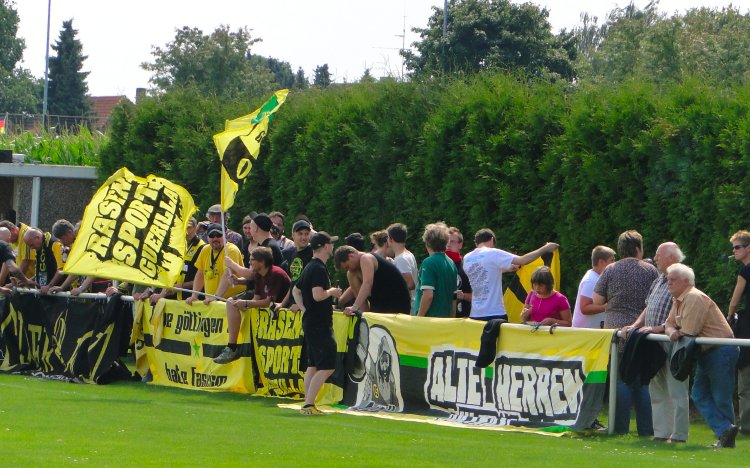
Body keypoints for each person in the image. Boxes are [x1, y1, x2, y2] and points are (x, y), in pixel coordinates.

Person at [665, 263, 738, 448]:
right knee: (698, 394)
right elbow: (668, 324)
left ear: (685, 281)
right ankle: (724, 431)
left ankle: (726, 439)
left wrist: (676, 331)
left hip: (720, 350)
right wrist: (673, 331)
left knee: (721, 397)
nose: (668, 282)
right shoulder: (679, 300)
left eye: (673, 279)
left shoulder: (694, 297)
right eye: (668, 278)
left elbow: (690, 331)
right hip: (706, 352)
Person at [621, 242, 689, 443]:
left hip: (672, 341)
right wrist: (635, 325)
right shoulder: (659, 280)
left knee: (676, 390)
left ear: (672, 257)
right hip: (653, 342)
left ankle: (678, 436)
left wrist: (661, 327)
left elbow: (684, 310)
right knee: (657, 389)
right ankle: (661, 433)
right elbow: (647, 308)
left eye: (659, 255)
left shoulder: (683, 280)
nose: (656, 258)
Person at [593, 230, 658, 436]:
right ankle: (646, 430)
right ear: (639, 248)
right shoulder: (651, 271)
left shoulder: (610, 270)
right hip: (643, 334)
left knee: (620, 381)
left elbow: (596, 300)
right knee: (642, 382)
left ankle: (619, 428)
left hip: (616, 333)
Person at [292, 231, 343, 415]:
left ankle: (308, 402)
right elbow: (318, 295)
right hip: (319, 323)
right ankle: (308, 404)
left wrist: (305, 308)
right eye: (331, 244)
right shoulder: (319, 268)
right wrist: (332, 292)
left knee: (313, 365)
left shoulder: (309, 266)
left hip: (311, 321)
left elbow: (296, 291)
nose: (333, 247)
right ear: (325, 246)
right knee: (327, 365)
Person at [214, 246, 291, 364]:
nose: (249, 262)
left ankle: (233, 346)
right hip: (267, 319)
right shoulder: (259, 274)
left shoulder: (275, 274)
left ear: (262, 262)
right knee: (231, 302)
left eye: (252, 260)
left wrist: (245, 303)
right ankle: (232, 347)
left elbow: (268, 302)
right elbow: (257, 297)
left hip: (284, 317)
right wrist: (238, 282)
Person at [463, 228, 558, 321]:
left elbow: (485, 271)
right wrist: (545, 248)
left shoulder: (467, 258)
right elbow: (523, 260)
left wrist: (509, 268)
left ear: (476, 243)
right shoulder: (492, 253)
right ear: (492, 239)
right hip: (494, 313)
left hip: (475, 314)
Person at [334, 245, 411, 314]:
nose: (349, 269)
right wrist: (337, 305)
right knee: (351, 275)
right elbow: (354, 289)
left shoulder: (366, 258)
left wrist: (354, 307)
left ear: (351, 256)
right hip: (380, 306)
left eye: (347, 266)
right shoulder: (352, 272)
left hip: (397, 304)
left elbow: (367, 284)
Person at [150, 217, 206, 302]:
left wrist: (181, 286)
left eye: (188, 228)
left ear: (195, 228)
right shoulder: (176, 246)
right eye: (182, 228)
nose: (186, 231)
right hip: (174, 298)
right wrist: (160, 293)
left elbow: (203, 278)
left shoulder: (202, 247)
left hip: (192, 300)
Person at [185, 223, 244, 304]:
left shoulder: (231, 250)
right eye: (212, 235)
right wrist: (194, 296)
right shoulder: (205, 249)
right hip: (212, 302)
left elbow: (228, 274)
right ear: (207, 237)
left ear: (224, 236)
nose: (215, 238)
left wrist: (216, 297)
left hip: (230, 302)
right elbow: (200, 273)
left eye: (219, 235)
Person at [728, 230, 750, 435]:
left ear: (748, 248)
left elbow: (735, 300)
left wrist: (729, 316)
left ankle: (747, 427)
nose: (734, 251)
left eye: (737, 247)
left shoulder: (745, 271)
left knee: (745, 378)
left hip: (748, 326)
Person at [413, 222, 457, 318]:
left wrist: (419, 318)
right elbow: (454, 297)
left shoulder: (428, 263)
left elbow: (428, 295)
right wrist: (452, 318)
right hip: (446, 320)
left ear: (428, 243)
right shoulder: (451, 263)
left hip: (430, 320)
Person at [572, 246, 615, 329]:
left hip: (590, 332)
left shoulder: (597, 277)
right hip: (585, 333)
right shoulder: (591, 280)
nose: (614, 263)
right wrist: (608, 306)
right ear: (602, 262)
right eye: (612, 260)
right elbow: (584, 308)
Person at [387, 223, 419, 310]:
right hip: (411, 303)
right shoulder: (408, 254)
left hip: (407, 306)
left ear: (390, 239)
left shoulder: (401, 259)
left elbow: (411, 284)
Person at [446, 226, 472, 318]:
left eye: (452, 241)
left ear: (460, 245)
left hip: (463, 317)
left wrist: (463, 296)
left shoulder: (467, 265)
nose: (448, 244)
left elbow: (478, 297)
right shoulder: (438, 264)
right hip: (442, 317)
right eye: (446, 241)